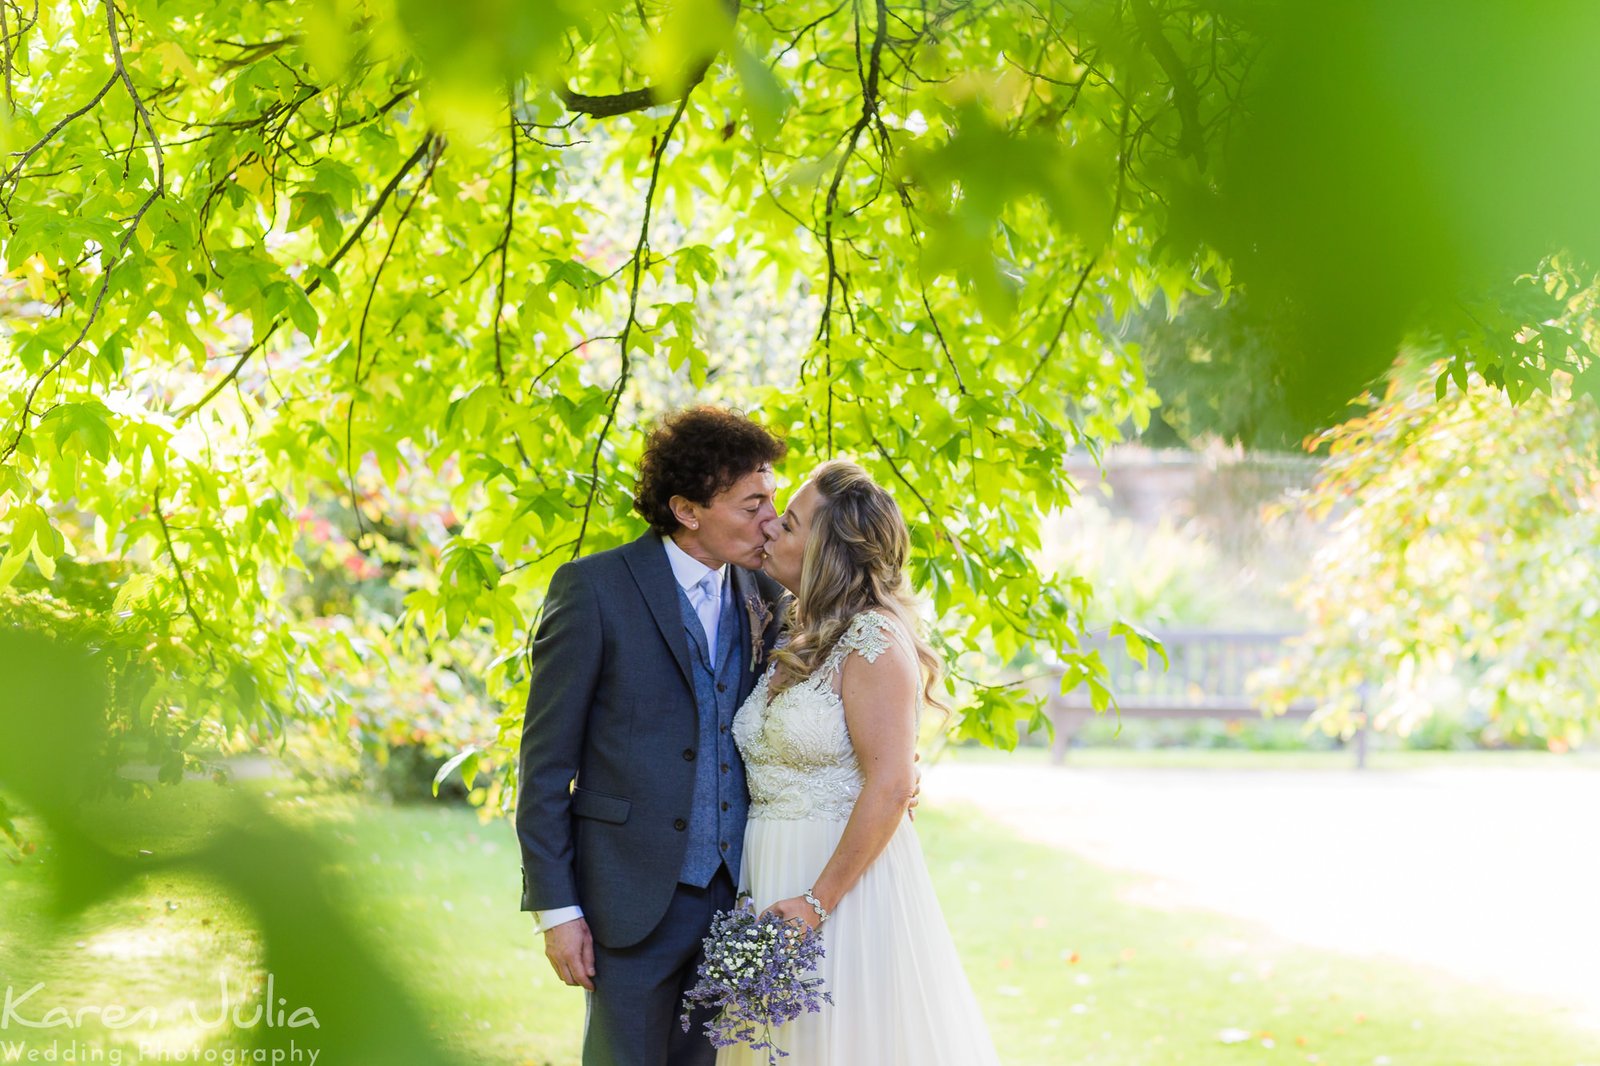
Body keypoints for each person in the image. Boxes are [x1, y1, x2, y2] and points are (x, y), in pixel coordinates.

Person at [515, 406, 788, 1066]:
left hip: (736, 898)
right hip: (629, 901)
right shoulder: (594, 589)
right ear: (687, 509)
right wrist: (557, 911)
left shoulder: (767, 594)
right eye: (751, 505)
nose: (771, 522)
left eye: (772, 501)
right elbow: (546, 765)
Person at [717, 459, 1001, 1065]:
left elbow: (893, 783)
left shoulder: (873, 639)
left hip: (839, 890)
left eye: (788, 525)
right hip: (767, 874)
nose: (769, 529)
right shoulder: (796, 631)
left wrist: (816, 903)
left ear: (826, 552)